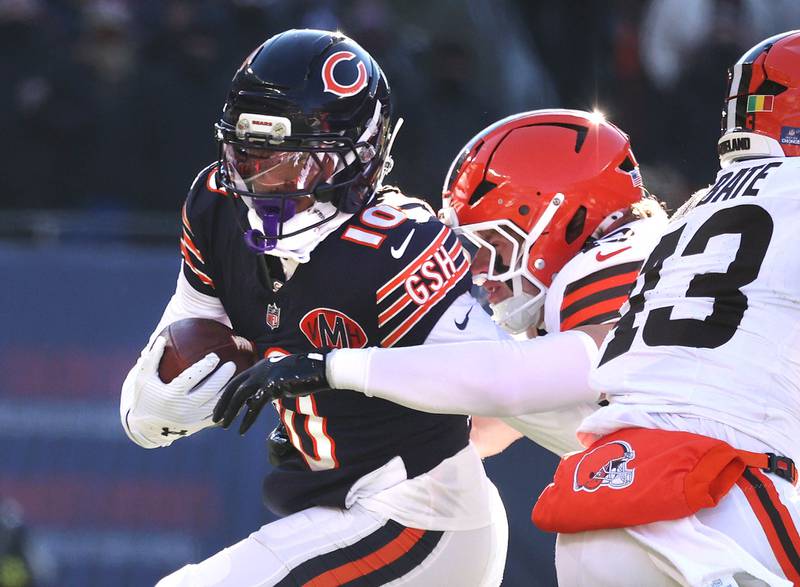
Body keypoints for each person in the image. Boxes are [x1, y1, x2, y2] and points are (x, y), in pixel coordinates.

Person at [119, 29, 509, 586]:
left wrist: (342, 373)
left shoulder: (397, 247)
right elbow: (182, 336)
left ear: (358, 156)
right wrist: (158, 402)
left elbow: (498, 382)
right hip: (338, 515)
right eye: (247, 156)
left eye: (290, 164)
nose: (260, 183)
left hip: (420, 514)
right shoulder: (216, 207)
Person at [216, 108, 669, 460]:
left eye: (493, 242)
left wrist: (335, 368)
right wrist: (343, 433)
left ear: (565, 220)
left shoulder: (628, 258)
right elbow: (478, 427)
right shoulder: (557, 322)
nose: (479, 270)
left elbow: (513, 380)